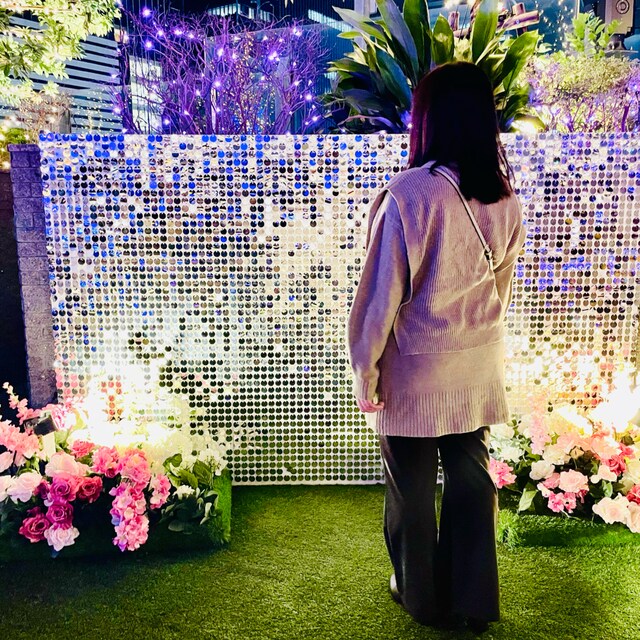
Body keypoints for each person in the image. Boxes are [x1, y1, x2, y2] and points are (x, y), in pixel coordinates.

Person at [347, 61, 527, 634]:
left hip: (416, 370)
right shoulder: (504, 197)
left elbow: (380, 297)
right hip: (477, 365)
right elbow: (499, 291)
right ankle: (473, 599)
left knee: (412, 487)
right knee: (472, 480)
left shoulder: (407, 194)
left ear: (427, 119)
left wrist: (365, 369)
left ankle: (420, 596)